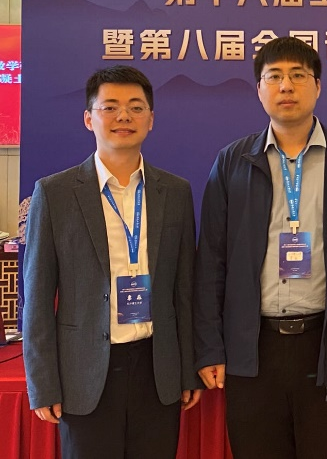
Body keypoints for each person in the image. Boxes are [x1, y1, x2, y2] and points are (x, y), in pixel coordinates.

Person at [194, 36, 327, 459]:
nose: (286, 86)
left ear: (317, 86)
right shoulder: (233, 162)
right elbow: (211, 261)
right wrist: (210, 347)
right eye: (274, 76)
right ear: (259, 89)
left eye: (298, 75)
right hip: (251, 349)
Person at [22, 65, 200, 459]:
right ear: (89, 118)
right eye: (110, 107)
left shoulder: (175, 191)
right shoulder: (55, 193)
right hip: (84, 373)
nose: (124, 116)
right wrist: (43, 383)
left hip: (157, 370)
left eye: (136, 107)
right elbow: (36, 297)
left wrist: (188, 369)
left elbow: (185, 289)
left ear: (151, 119)